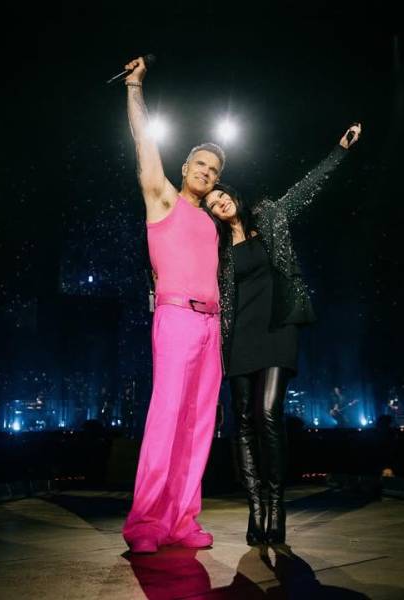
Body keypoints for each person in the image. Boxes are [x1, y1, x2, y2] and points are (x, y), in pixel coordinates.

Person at [203, 123, 362, 545]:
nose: (218, 202)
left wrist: (338, 152)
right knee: (241, 422)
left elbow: (308, 188)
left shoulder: (270, 215)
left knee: (269, 413)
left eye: (222, 195)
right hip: (238, 337)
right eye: (212, 202)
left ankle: (277, 505)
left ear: (233, 194)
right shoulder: (216, 250)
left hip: (277, 327)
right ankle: (256, 507)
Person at [120, 56, 225, 554]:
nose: (206, 171)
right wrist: (135, 87)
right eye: (199, 164)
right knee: (166, 419)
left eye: (214, 169)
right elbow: (144, 141)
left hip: (212, 328)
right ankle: (146, 523)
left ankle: (182, 519)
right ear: (184, 169)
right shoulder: (162, 199)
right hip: (177, 318)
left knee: (199, 424)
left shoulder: (213, 221)